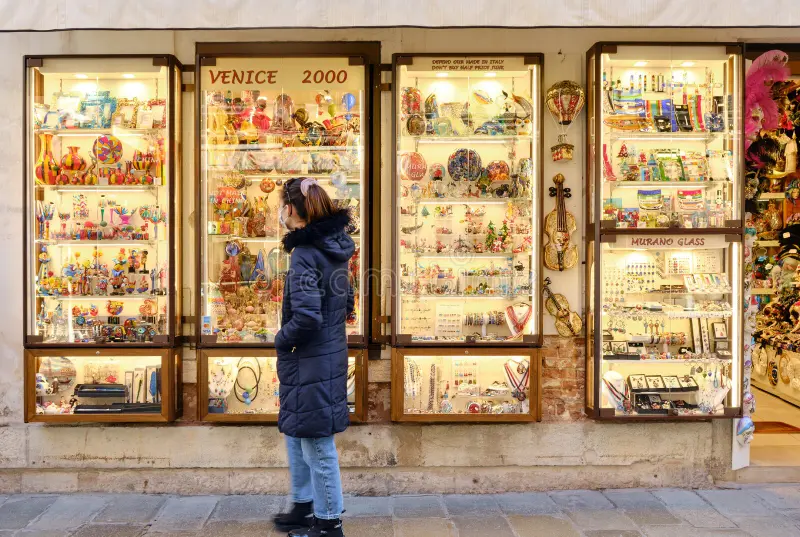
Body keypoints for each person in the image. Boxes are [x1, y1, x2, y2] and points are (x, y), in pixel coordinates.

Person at [272, 177, 355, 537]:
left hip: (311, 358)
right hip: (327, 353)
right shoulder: (332, 247)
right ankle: (304, 505)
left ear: (290, 209)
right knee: (299, 434)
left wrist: (280, 339)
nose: (279, 213)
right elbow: (347, 302)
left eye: (280, 206)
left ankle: (328, 521)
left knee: (318, 444)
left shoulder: (306, 253)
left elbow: (306, 317)